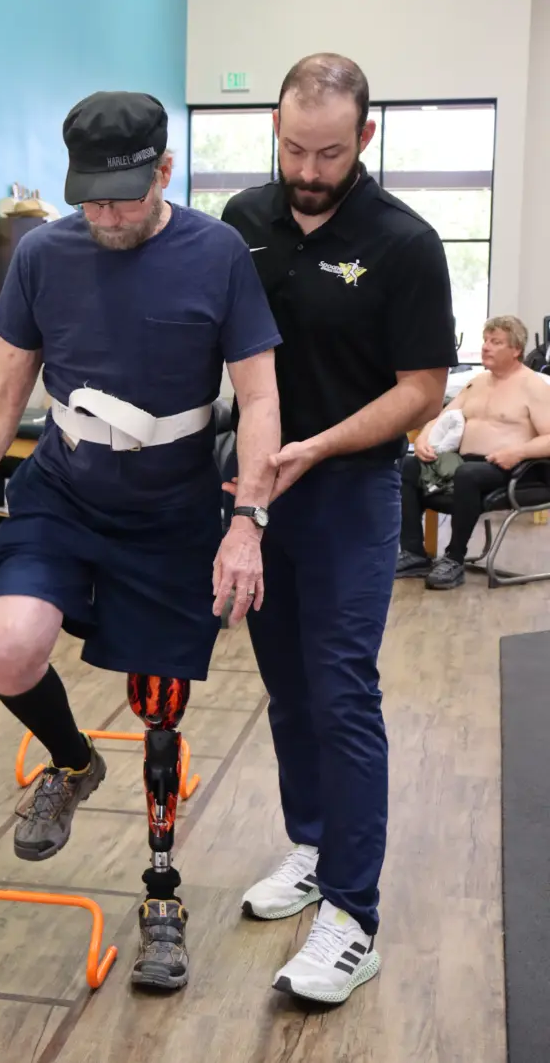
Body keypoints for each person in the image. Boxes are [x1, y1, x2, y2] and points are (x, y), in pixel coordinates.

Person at [0, 90, 282, 991]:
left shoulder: (218, 253)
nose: (105, 214)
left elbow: (262, 398)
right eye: (90, 196)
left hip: (171, 513)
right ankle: (73, 763)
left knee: (159, 716)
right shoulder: (45, 253)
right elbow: (5, 396)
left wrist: (249, 521)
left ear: (164, 170)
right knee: (7, 649)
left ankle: (162, 891)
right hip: (67, 493)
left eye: (122, 194)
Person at [220, 53, 458, 1004]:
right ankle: (314, 849)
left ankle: (353, 915)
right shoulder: (241, 221)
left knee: (342, 690)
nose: (308, 171)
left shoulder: (406, 242)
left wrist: (314, 448)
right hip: (256, 492)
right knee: (286, 688)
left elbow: (421, 391)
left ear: (364, 138)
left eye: (328, 152)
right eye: (292, 149)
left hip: (351, 490)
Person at [398, 315, 550, 589]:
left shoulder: (534, 386)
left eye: (496, 342)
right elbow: (441, 417)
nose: (486, 347)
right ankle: (413, 553)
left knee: (467, 474)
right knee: (407, 467)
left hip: (515, 470)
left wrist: (518, 452)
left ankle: (454, 559)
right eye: (486, 341)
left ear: (515, 350)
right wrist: (424, 438)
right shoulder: (477, 383)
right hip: (465, 464)